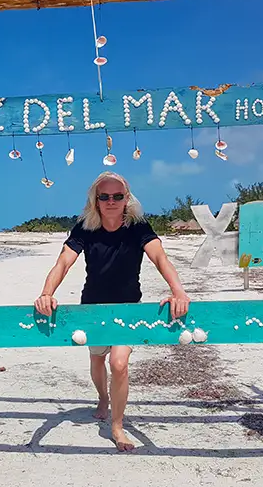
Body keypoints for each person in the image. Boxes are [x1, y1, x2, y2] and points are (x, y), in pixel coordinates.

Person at [34, 171, 191, 452]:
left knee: (118, 364)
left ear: (126, 199)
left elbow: (159, 257)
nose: (110, 201)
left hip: (128, 309)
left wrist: (178, 291)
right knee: (97, 360)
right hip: (92, 308)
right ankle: (103, 398)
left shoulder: (138, 226)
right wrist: (47, 294)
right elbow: (63, 263)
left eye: (117, 196)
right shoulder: (85, 226)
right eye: (104, 196)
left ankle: (117, 426)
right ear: (95, 200)